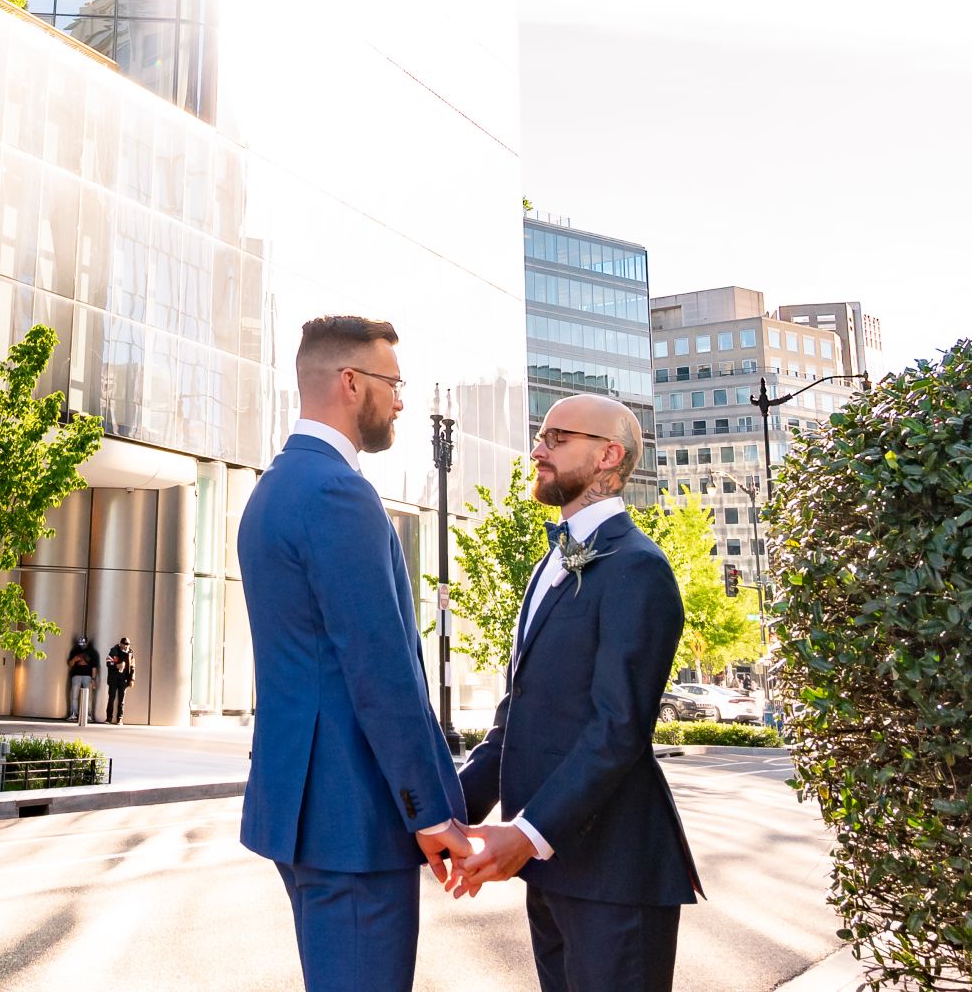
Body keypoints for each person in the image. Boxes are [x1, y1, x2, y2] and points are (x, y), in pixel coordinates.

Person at [237, 315, 469, 992]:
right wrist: (430, 811)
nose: (400, 400)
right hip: (355, 819)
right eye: (393, 383)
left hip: (302, 809)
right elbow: (381, 670)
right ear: (350, 382)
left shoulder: (273, 490)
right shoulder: (339, 493)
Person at [446, 394, 704, 992]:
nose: (538, 448)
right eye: (540, 434)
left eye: (558, 437)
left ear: (609, 455)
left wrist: (528, 834)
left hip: (615, 878)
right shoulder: (547, 566)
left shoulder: (638, 567)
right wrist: (448, 812)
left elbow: (617, 730)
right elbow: (514, 725)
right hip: (552, 872)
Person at [64, 636, 97, 724]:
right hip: (76, 675)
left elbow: (94, 667)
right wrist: (74, 660)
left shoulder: (91, 652)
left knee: (89, 696)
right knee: (74, 695)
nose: (82, 645)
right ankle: (74, 714)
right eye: (81, 644)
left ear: (87, 643)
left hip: (87, 676)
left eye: (84, 644)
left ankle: (88, 715)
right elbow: (70, 664)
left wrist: (93, 679)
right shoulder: (75, 651)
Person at [104, 636, 136, 724]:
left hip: (124, 679)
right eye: (125, 644)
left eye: (128, 644)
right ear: (121, 644)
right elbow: (108, 662)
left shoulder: (130, 653)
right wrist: (116, 666)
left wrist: (132, 679)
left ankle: (120, 718)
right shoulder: (114, 650)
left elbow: (133, 667)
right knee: (111, 698)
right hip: (113, 678)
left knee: (121, 700)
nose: (126, 646)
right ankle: (108, 718)